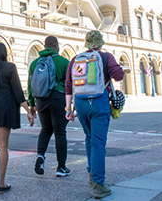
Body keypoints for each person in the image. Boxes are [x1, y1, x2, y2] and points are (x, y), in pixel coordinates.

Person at [65, 30, 124, 199]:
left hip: (81, 103)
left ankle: (92, 174)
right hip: (99, 101)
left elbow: (68, 85)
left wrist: (68, 109)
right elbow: (118, 75)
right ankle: (98, 184)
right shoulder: (106, 57)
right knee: (98, 143)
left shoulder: (76, 59)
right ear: (100, 43)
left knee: (89, 138)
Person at [0, 42, 34, 194]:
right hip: (4, 110)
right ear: (4, 53)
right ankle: (2, 183)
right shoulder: (10, 67)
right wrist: (28, 110)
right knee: (3, 146)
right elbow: (18, 92)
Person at [27, 35, 71, 177]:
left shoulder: (35, 63)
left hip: (41, 100)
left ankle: (40, 155)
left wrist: (32, 104)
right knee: (60, 132)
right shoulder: (64, 62)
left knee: (45, 129)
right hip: (58, 98)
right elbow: (71, 84)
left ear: (45, 46)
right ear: (57, 46)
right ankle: (61, 167)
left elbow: (30, 86)